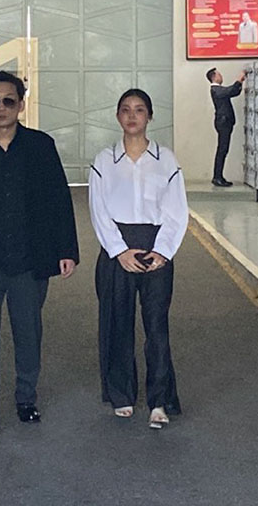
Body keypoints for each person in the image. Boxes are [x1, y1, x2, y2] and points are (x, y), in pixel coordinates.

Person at [0, 71, 79, 437]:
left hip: (30, 259)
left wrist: (66, 249)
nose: (1, 107)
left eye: (9, 101)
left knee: (28, 331)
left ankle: (26, 399)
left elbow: (58, 199)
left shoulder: (40, 146)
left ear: (21, 104)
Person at [88, 88, 188, 430]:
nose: (132, 116)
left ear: (150, 116)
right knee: (117, 322)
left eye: (140, 109)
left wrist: (163, 251)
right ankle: (121, 394)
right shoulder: (104, 160)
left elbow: (177, 211)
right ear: (118, 116)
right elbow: (98, 209)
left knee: (156, 326)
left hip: (156, 248)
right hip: (117, 250)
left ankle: (159, 399)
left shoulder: (166, 160)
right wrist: (119, 251)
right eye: (126, 110)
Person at [206, 67, 245, 187]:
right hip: (223, 123)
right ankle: (217, 177)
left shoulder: (218, 90)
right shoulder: (216, 90)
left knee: (223, 149)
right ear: (214, 77)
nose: (221, 76)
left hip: (224, 122)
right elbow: (231, 90)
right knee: (222, 149)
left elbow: (234, 92)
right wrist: (239, 80)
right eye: (219, 74)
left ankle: (219, 176)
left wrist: (240, 83)